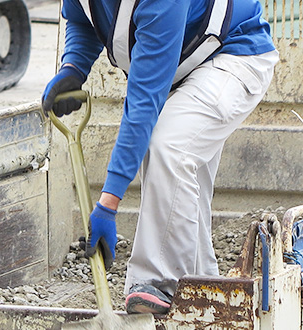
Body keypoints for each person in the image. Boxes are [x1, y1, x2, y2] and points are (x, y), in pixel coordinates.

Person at [42, 0, 278, 314]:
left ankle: (165, 285)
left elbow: (142, 107)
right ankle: (207, 296)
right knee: (179, 191)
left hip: (232, 56)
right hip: (184, 67)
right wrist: (73, 67)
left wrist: (108, 204)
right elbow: (82, 17)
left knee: (170, 146)